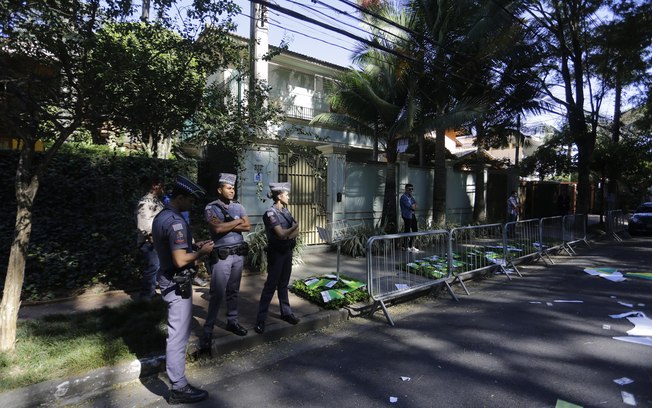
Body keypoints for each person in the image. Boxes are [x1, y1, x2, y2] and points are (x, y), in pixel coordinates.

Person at [152, 175, 214, 405]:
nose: (191, 205)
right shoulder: (176, 222)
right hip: (176, 283)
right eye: (189, 200)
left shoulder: (162, 216)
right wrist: (201, 252)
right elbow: (179, 260)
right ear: (180, 197)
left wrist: (192, 246)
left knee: (176, 333)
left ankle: (178, 383)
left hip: (168, 280)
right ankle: (178, 387)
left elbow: (172, 248)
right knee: (178, 336)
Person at [200, 173, 251, 353]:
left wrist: (230, 223)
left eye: (233, 188)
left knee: (233, 291)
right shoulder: (211, 208)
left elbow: (248, 226)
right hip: (222, 257)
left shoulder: (238, 206)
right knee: (217, 293)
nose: (232, 190)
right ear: (219, 189)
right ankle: (208, 331)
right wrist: (237, 221)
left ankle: (232, 321)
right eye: (228, 188)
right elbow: (217, 228)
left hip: (238, 254)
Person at [254, 182, 301, 334]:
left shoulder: (286, 212)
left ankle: (286, 313)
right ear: (280, 196)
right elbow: (281, 233)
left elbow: (291, 233)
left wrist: (288, 233)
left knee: (284, 284)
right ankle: (260, 320)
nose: (288, 197)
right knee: (270, 286)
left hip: (287, 250)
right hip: (276, 253)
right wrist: (293, 229)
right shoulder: (270, 213)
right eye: (286, 195)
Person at [135, 175, 165, 300]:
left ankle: (151, 293)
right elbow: (143, 221)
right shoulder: (146, 201)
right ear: (155, 185)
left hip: (157, 241)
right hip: (150, 242)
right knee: (152, 267)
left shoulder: (157, 201)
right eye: (162, 186)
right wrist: (150, 236)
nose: (163, 189)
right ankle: (146, 297)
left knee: (156, 267)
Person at [400, 183, 419, 252]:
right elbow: (411, 207)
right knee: (407, 231)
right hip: (407, 216)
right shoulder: (404, 197)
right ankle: (406, 247)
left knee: (415, 230)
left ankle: (412, 246)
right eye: (409, 189)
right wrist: (413, 206)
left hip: (412, 215)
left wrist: (413, 206)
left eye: (412, 189)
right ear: (406, 189)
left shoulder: (411, 197)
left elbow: (416, 205)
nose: (411, 190)